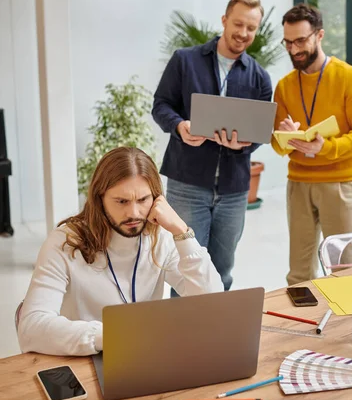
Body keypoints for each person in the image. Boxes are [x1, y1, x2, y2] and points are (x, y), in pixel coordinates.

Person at [17, 147, 223, 356]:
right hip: (84, 357)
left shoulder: (161, 237)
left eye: (143, 200)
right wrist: (112, 336)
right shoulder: (64, 242)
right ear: (99, 199)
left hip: (145, 355)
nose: (134, 213)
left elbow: (212, 305)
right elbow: (31, 327)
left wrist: (181, 231)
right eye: (122, 201)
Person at [152, 0, 272, 292]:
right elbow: (161, 105)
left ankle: (217, 332)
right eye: (239, 24)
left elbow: (258, 133)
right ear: (224, 20)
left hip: (233, 190)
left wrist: (243, 146)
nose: (244, 33)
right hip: (187, 184)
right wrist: (179, 126)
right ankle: (183, 337)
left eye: (251, 28)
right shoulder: (185, 60)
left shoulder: (260, 77)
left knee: (223, 270)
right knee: (185, 270)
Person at [271, 3, 352, 285]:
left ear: (319, 35)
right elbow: (276, 144)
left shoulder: (349, 77)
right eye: (288, 42)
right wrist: (286, 138)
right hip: (298, 185)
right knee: (299, 272)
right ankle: (302, 327)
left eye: (301, 41)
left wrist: (324, 148)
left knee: (348, 270)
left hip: (341, 184)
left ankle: (349, 328)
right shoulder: (283, 86)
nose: (294, 50)